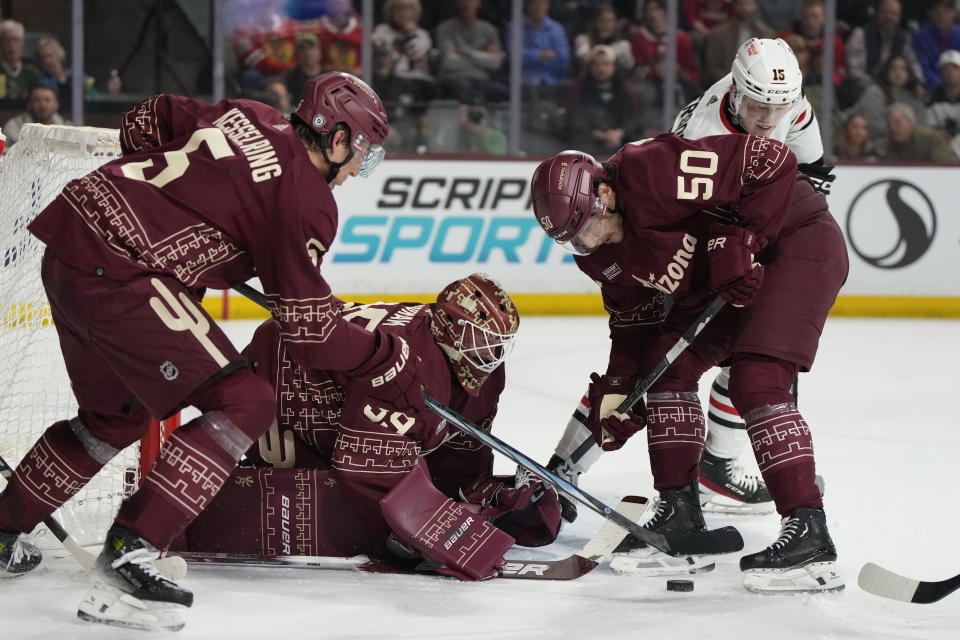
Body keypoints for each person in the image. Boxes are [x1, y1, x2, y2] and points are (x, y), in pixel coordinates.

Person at [0, 72, 415, 632]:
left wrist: (178, 203)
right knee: (246, 401)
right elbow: (312, 335)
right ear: (337, 138)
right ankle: (132, 550)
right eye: (362, 152)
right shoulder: (307, 200)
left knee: (112, 420)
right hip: (122, 272)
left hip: (72, 239)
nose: (357, 169)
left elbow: (147, 117)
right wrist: (383, 353)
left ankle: (2, 529)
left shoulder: (250, 113)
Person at [530, 133, 848, 593]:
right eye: (568, 242)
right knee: (665, 366)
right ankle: (681, 511)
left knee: (757, 381)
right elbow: (632, 323)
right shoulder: (598, 256)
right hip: (721, 282)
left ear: (604, 194)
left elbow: (771, 161)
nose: (583, 245)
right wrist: (621, 391)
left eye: (582, 230)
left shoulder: (650, 170)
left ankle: (809, 533)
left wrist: (743, 239)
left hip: (794, 243)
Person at [546, 38, 829, 522]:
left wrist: (748, 243)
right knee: (651, 357)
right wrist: (723, 251)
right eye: (758, 106)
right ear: (737, 92)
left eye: (777, 108)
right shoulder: (697, 137)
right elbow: (682, 225)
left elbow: (808, 175)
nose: (768, 117)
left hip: (734, 230)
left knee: (748, 356)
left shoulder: (790, 104)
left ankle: (718, 464)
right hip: (687, 233)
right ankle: (562, 469)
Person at [173, 275, 561, 575]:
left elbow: (462, 443)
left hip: (329, 373)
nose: (490, 356)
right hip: (281, 376)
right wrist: (412, 533)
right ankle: (178, 503)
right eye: (481, 342)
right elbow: (363, 468)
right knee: (327, 499)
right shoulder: (410, 371)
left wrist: (471, 492)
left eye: (498, 344)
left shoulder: (469, 363)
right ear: (449, 331)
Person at [434, 0, 507, 104]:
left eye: (471, 1)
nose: (467, 4)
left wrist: (469, 53)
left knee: (500, 91)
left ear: (478, 3)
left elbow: (495, 64)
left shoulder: (489, 30)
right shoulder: (445, 28)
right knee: (463, 89)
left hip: (483, 79)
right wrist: (484, 57)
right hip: (454, 79)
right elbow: (449, 63)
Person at [848, 53, 928, 138]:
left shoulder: (913, 94)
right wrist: (902, 132)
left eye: (904, 69)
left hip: (906, 141)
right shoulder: (874, 93)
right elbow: (874, 127)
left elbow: (922, 123)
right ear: (886, 71)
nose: (898, 73)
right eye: (893, 69)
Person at [876, 101, 957, 161]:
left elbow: (943, 166)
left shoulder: (932, 139)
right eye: (889, 124)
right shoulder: (885, 145)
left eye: (898, 123)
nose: (892, 128)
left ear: (911, 122)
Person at [911, 0, 960, 91]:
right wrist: (942, 86)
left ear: (954, 12)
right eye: (938, 12)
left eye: (946, 12)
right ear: (932, 13)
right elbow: (923, 68)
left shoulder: (958, 35)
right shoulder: (920, 37)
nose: (941, 17)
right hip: (931, 89)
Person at [2, 84, 68, 144]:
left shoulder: (67, 126)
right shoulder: (14, 125)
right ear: (29, 105)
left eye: (47, 100)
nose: (43, 105)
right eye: (37, 100)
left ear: (56, 105)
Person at [0, 19, 42, 100]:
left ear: (22, 44)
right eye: (7, 40)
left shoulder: (32, 73)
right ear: (0, 44)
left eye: (15, 40)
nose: (11, 44)